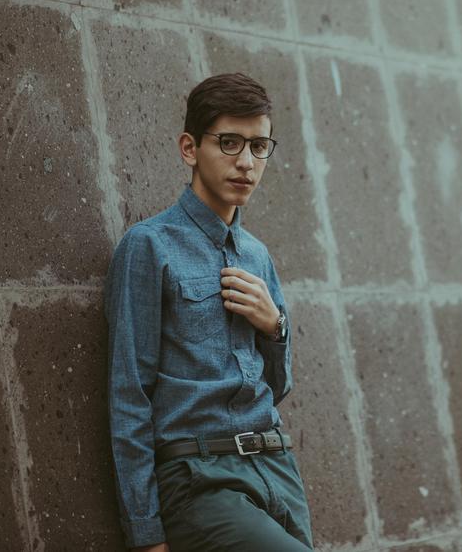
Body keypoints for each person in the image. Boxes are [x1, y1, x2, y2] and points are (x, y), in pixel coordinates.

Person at [103, 73, 314, 551]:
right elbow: (128, 394)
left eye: (258, 147)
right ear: (190, 148)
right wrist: (146, 531)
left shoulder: (257, 256)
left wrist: (274, 326)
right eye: (229, 143)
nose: (246, 162)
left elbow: (277, 386)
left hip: (276, 468)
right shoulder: (149, 246)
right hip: (199, 477)